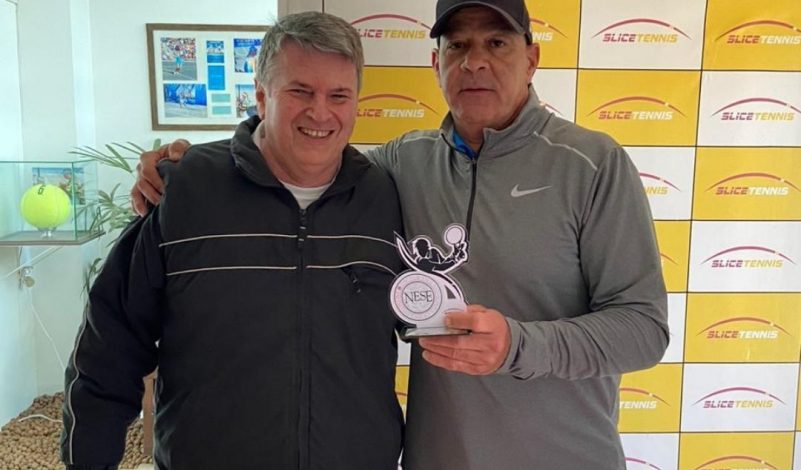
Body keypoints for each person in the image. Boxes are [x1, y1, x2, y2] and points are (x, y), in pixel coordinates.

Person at [132, 0, 670, 468]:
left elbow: (644, 329)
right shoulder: (399, 164)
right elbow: (301, 160)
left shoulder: (593, 165)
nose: (475, 62)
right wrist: (191, 168)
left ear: (531, 59)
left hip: (565, 457)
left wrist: (518, 345)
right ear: (437, 65)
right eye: (457, 46)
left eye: (497, 42)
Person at [62, 12, 405, 470]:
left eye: (338, 95)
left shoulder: (385, 199)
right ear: (261, 95)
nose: (321, 112)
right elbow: (110, 345)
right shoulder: (186, 190)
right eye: (300, 91)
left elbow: (433, 313)